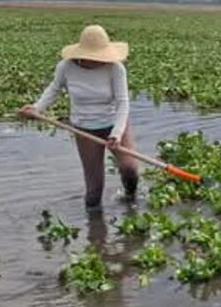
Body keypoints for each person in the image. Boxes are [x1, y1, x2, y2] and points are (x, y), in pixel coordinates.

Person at [19, 25, 137, 211]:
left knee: (130, 170)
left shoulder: (116, 69)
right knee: (93, 193)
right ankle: (96, 235)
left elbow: (123, 103)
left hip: (115, 124)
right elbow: (53, 89)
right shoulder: (66, 67)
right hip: (84, 128)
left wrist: (116, 134)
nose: (97, 61)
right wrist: (36, 108)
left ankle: (131, 200)